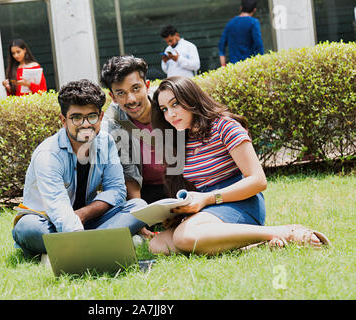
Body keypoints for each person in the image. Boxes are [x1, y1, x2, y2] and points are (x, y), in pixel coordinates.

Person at [148, 76, 330, 256]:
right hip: (207, 209)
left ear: (192, 99)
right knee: (157, 245)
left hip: (240, 201)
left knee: (184, 237)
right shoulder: (180, 140)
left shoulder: (224, 126)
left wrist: (207, 198)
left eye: (175, 104)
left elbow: (258, 181)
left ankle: (284, 232)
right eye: (164, 109)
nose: (170, 115)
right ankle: (251, 246)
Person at [12, 79, 147, 259]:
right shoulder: (48, 154)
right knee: (27, 228)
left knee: (138, 206)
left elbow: (116, 190)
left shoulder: (106, 142)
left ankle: (61, 251)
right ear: (63, 120)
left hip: (88, 220)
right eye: (76, 117)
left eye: (92, 116)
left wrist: (83, 214)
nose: (85, 124)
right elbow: (58, 207)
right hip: (48, 221)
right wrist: (75, 225)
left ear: (101, 117)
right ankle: (106, 243)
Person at [100, 55, 168, 206]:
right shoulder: (112, 124)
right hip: (146, 189)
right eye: (121, 93)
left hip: (183, 179)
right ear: (113, 97)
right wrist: (140, 215)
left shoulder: (168, 102)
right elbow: (129, 173)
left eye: (136, 88)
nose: (130, 99)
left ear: (147, 85)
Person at [218, 0, 264, 67]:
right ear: (254, 10)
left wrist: (223, 66)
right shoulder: (253, 22)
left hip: (234, 68)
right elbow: (259, 46)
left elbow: (221, 46)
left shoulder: (230, 23)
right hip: (250, 66)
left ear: (241, 8)